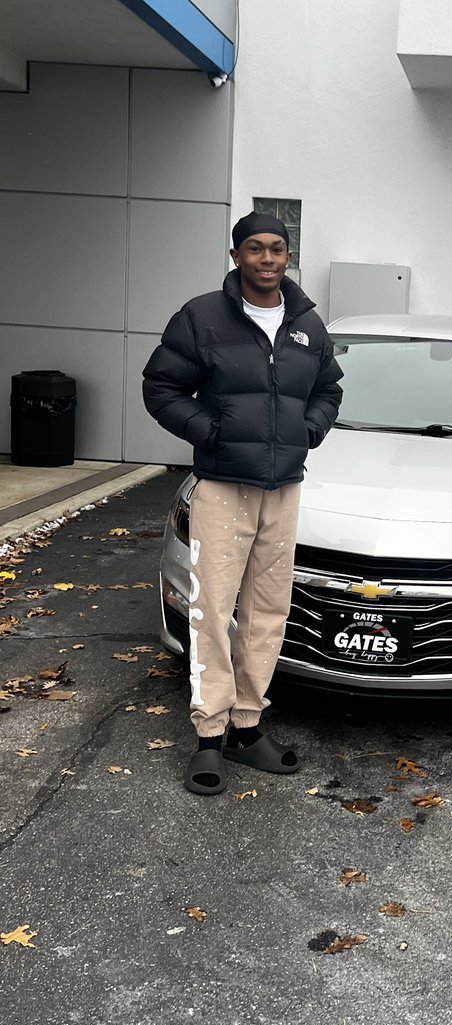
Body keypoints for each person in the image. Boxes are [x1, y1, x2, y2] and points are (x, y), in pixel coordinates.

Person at [142, 212, 343, 795]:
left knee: (267, 611)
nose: (267, 258)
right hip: (222, 488)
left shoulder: (307, 323)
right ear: (236, 256)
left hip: (283, 489)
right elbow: (162, 387)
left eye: (277, 249)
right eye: (254, 248)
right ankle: (209, 736)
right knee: (211, 611)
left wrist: (309, 430)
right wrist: (212, 432)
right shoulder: (202, 316)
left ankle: (247, 728)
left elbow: (329, 388)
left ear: (288, 257)